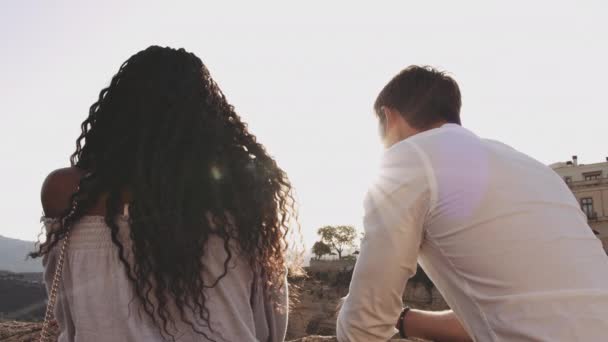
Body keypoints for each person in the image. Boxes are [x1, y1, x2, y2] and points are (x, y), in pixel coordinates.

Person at [31, 46, 296, 342]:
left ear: (118, 112)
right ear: (208, 117)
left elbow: (68, 311)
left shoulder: (68, 191)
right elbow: (270, 320)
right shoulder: (244, 193)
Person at [336, 66, 608, 341]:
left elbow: (362, 325)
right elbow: (515, 316)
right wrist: (406, 320)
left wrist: (350, 314)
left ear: (389, 116)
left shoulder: (405, 159)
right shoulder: (532, 167)